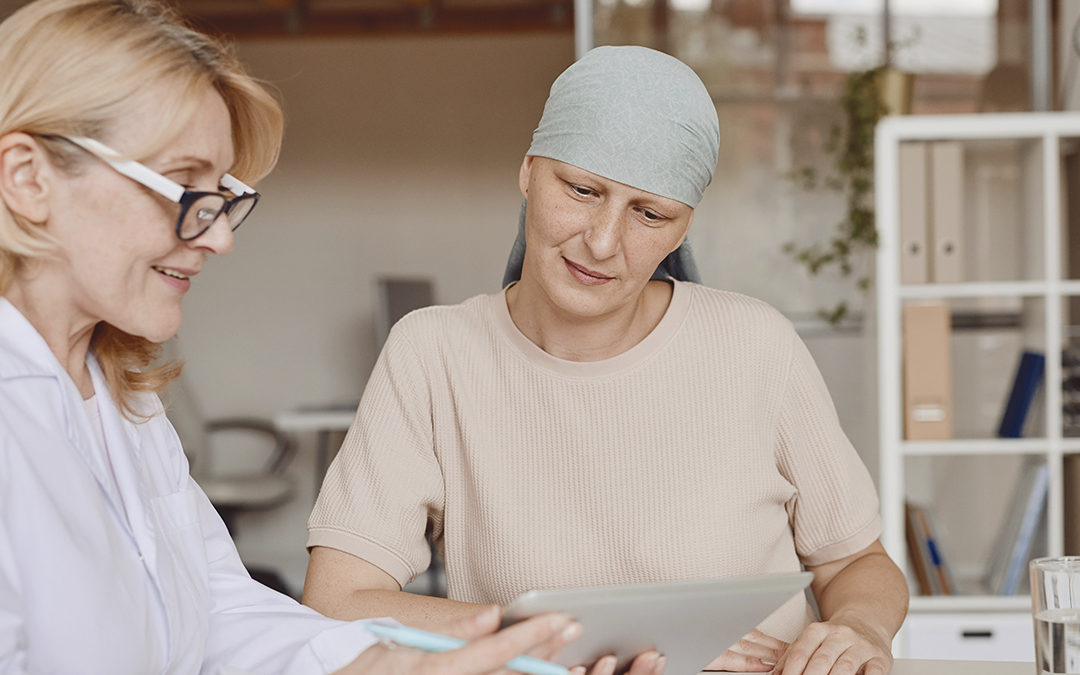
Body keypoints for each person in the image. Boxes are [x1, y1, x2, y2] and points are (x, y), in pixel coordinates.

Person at [0, 1, 628, 672]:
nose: (218, 236)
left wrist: (407, 666)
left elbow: (219, 611)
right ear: (28, 178)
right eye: (186, 188)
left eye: (224, 197)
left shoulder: (121, 396)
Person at [303, 46, 909, 675]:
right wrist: (580, 640)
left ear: (681, 230)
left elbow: (857, 563)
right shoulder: (432, 354)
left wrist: (858, 628)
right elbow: (338, 600)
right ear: (529, 173)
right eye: (582, 190)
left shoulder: (758, 345)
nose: (601, 242)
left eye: (650, 213)